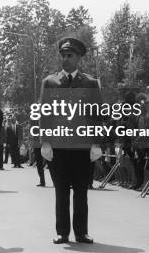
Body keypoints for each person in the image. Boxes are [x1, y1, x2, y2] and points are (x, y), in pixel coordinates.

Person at [39, 37, 101, 245]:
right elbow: (44, 114)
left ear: (78, 58)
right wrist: (45, 141)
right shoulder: (50, 82)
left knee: (81, 191)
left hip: (82, 147)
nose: (65, 59)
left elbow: (97, 115)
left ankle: (81, 232)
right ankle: (62, 232)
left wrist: (96, 142)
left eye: (70, 55)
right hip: (59, 147)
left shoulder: (91, 83)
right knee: (61, 191)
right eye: (63, 55)